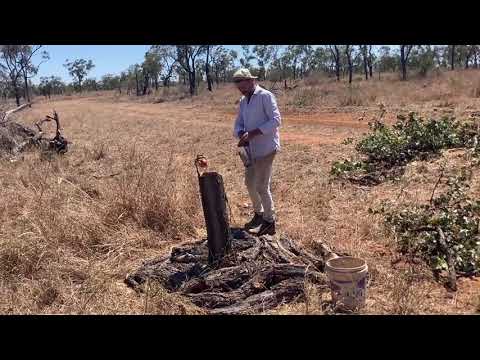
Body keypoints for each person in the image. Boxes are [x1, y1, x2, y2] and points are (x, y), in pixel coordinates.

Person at [232, 68, 281, 236]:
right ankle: (259, 214)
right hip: (250, 149)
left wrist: (253, 133)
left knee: (261, 185)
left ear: (251, 81)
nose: (242, 89)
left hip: (266, 148)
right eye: (238, 86)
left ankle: (269, 222)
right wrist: (240, 133)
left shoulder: (265, 96)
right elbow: (239, 123)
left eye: (243, 85)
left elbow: (276, 120)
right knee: (249, 183)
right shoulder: (243, 101)